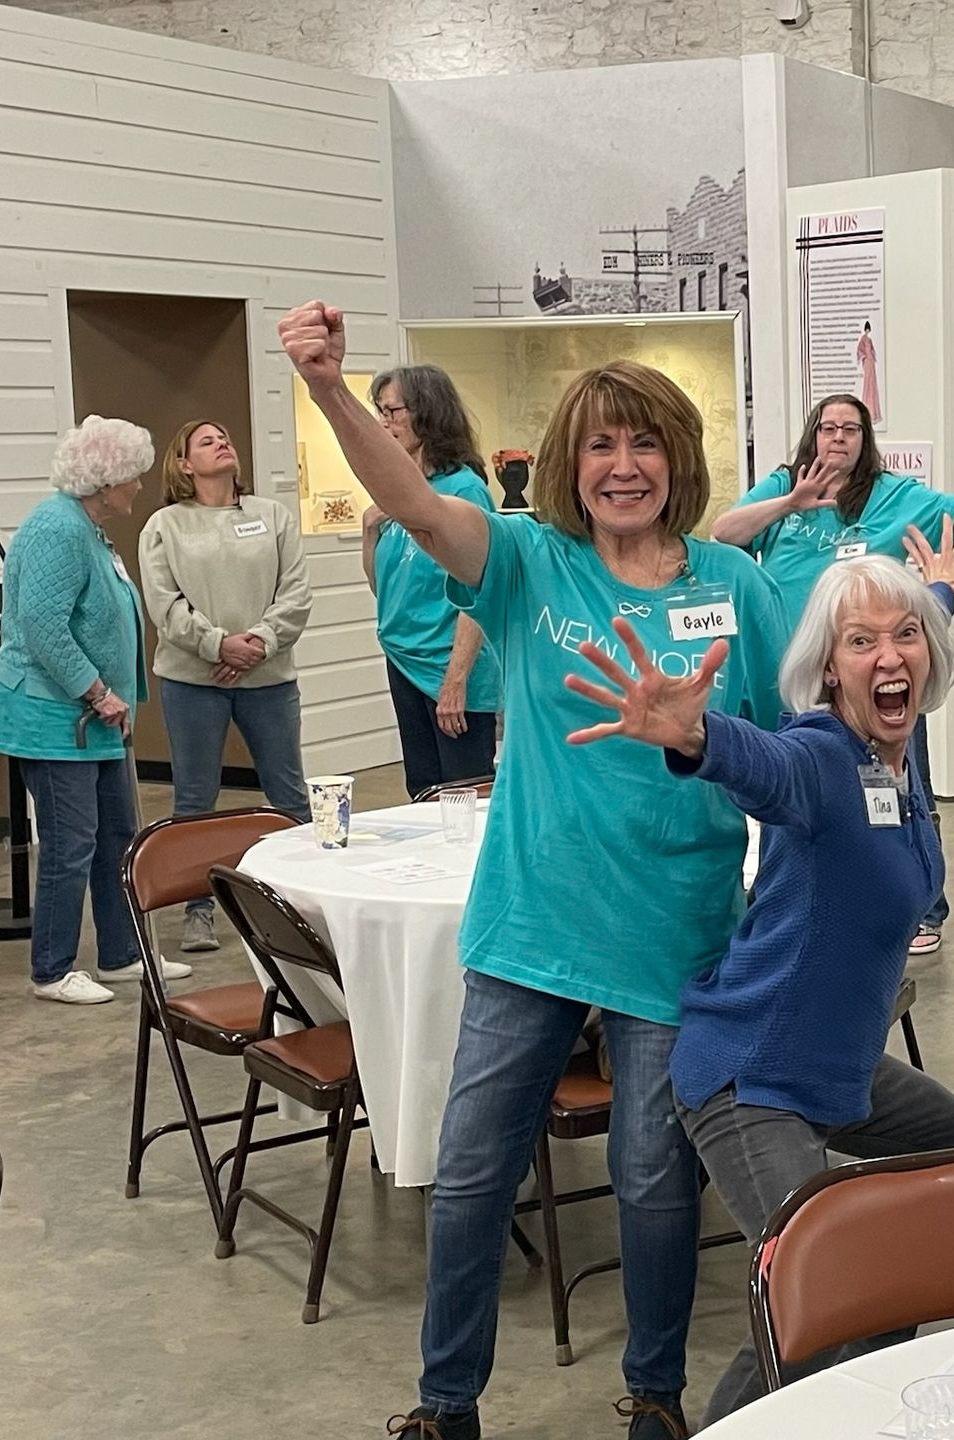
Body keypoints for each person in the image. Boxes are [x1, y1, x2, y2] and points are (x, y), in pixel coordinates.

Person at [281, 301, 785, 1440]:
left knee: (656, 1182)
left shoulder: (738, 590)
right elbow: (411, 500)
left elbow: (788, 758)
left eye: (645, 441)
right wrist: (326, 389)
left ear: (680, 459)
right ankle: (444, 1403)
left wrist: (721, 745)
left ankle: (654, 1392)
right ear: (569, 462)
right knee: (469, 1176)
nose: (623, 466)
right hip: (532, 928)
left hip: (677, 929)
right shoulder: (527, 565)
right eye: (600, 445)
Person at [565, 538, 954, 1423]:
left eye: (905, 637)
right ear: (828, 673)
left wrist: (937, 590)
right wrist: (695, 734)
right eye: (859, 642)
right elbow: (766, 765)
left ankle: (844, 1407)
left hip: (838, 1069)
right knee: (819, 1298)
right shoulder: (824, 760)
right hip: (751, 1074)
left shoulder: (899, 751)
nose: (888, 656)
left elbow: (914, 626)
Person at [713, 392, 954, 957]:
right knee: (794, 801)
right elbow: (725, 532)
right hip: (803, 681)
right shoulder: (787, 485)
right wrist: (791, 502)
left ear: (866, 442)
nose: (838, 438)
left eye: (851, 430)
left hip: (879, 682)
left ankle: (923, 909)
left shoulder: (892, 495)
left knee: (901, 791)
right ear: (813, 434)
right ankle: (783, 906)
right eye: (829, 427)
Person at [0, 417, 190, 1004]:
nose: (138, 485)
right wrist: (99, 693)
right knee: (70, 840)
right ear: (105, 481)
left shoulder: (86, 528)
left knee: (116, 835)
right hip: (59, 717)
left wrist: (112, 697)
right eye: (132, 475)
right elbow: (44, 626)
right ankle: (52, 970)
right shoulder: (58, 529)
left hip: (94, 718)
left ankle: (121, 953)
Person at [140, 419, 313, 953]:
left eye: (225, 436)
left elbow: (296, 592)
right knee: (195, 796)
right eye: (207, 440)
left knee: (287, 792)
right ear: (185, 464)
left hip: (268, 677)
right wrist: (218, 645)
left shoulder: (273, 516)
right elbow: (164, 604)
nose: (223, 442)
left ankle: (307, 898)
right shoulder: (164, 525)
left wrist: (256, 642)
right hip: (194, 681)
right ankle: (198, 912)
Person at [361, 364, 502, 796]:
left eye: (392, 411)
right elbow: (383, 586)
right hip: (404, 657)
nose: (384, 423)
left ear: (427, 413)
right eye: (380, 412)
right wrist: (370, 530)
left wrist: (455, 681)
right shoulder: (398, 489)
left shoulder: (464, 490)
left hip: (448, 663)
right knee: (421, 789)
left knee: (462, 793)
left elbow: (481, 590)